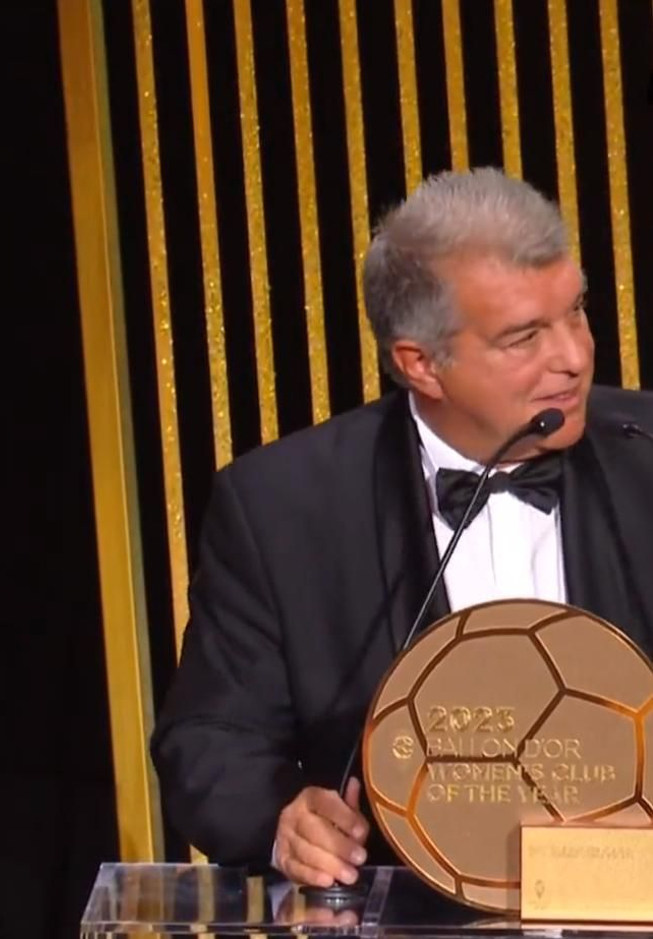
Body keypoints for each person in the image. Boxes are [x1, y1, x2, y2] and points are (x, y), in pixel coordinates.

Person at [151, 168, 653, 890]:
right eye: (524, 337)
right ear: (421, 364)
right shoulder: (283, 507)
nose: (573, 356)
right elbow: (209, 741)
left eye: (575, 312)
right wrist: (281, 817)